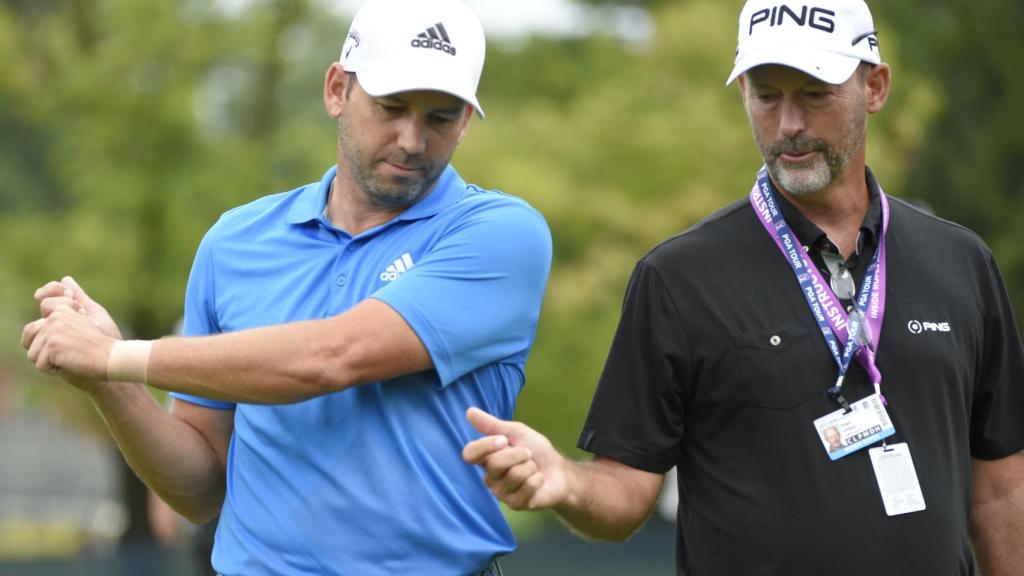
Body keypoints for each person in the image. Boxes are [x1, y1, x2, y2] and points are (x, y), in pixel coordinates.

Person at [462, 0, 1024, 574]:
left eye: (814, 93)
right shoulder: (678, 278)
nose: (789, 125)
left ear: (874, 87)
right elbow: (627, 489)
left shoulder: (961, 262)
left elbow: (1002, 487)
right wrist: (565, 482)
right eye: (766, 94)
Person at [21, 0, 551, 574]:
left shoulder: (499, 234)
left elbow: (330, 358)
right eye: (391, 107)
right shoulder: (234, 241)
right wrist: (106, 380)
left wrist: (116, 355)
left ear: (466, 121)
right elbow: (200, 490)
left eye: (441, 117)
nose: (412, 139)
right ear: (336, 90)